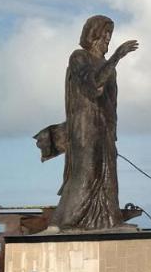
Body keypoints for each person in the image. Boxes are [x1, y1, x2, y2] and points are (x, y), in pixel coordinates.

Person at [40, 15, 139, 231]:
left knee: (108, 175)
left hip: (104, 128)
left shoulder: (108, 66)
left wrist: (112, 131)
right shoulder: (79, 57)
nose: (108, 39)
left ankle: (110, 221)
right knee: (87, 172)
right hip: (85, 127)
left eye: (110, 34)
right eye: (105, 34)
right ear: (93, 35)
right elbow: (91, 87)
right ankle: (62, 222)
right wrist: (117, 57)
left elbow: (111, 101)